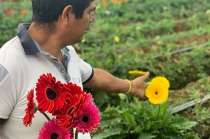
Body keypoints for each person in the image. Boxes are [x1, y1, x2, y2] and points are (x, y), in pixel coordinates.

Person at [0, 0, 149, 138]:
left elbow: (93, 76)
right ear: (67, 14)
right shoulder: (9, 65)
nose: (92, 19)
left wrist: (131, 86)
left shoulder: (67, 52)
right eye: (90, 12)